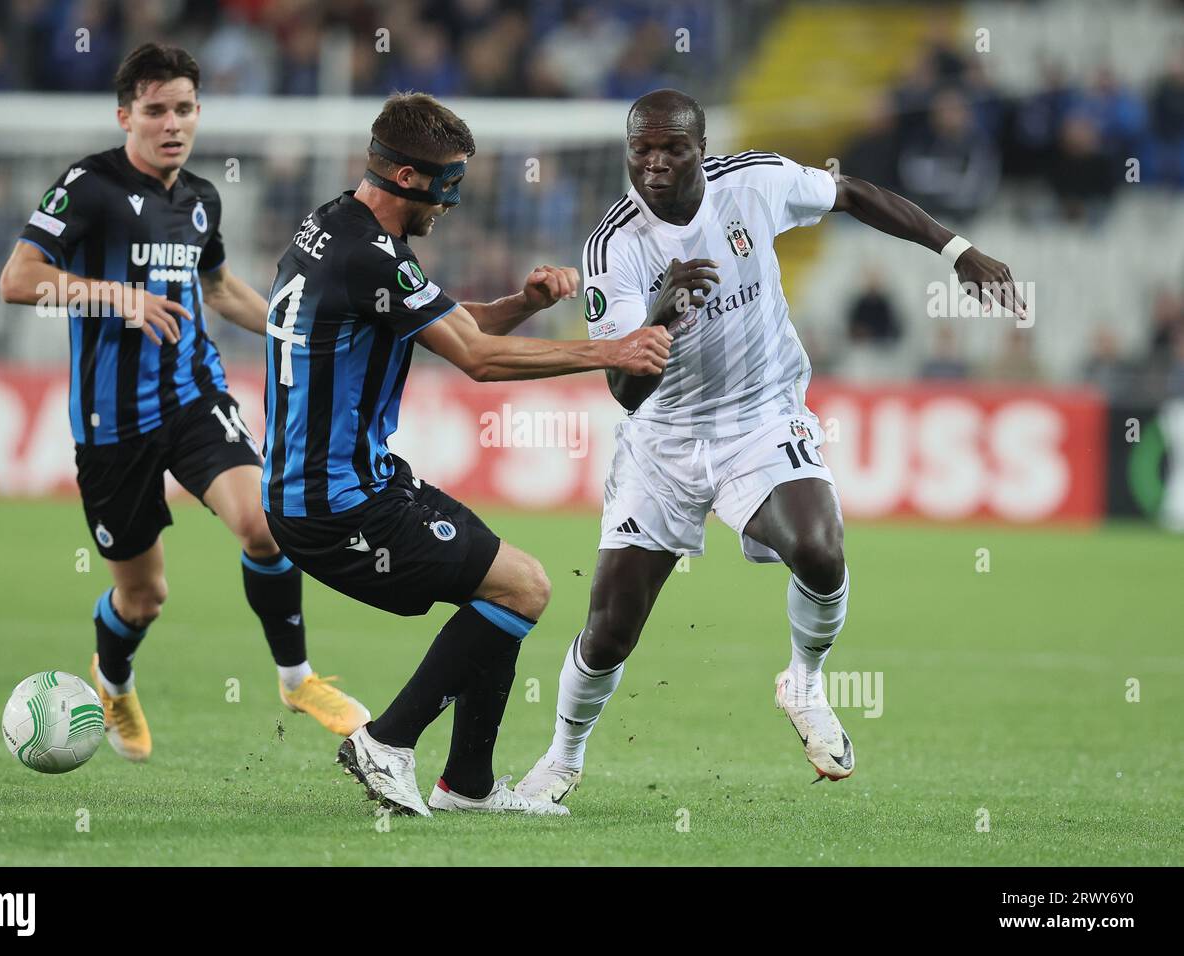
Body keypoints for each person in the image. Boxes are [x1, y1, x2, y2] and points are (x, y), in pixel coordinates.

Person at [516, 88, 1024, 802]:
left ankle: (805, 685)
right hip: (662, 440)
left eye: (673, 149)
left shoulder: (753, 182)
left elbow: (851, 193)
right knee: (609, 630)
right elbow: (625, 396)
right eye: (642, 150)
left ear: (703, 149)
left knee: (819, 549)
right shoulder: (612, 249)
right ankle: (562, 760)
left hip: (760, 416)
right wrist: (657, 318)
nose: (655, 164)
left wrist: (956, 248)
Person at [261, 92, 671, 817]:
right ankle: (384, 742)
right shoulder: (369, 254)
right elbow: (476, 361)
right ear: (410, 178)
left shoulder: (337, 226)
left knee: (504, 583)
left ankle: (469, 787)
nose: (452, 202)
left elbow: (450, 326)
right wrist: (610, 350)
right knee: (524, 587)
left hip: (351, 482)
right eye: (448, 183)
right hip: (335, 503)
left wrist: (524, 302)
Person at [0, 43, 369, 763]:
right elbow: (18, 279)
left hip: (193, 397)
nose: (173, 123)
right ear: (125, 115)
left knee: (265, 526)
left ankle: (297, 679)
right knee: (144, 598)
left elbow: (221, 288)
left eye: (185, 109)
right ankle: (112, 678)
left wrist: (300, 333)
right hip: (110, 424)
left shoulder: (200, 197)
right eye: (156, 110)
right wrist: (116, 295)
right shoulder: (88, 185)